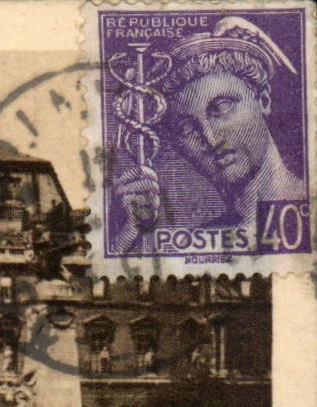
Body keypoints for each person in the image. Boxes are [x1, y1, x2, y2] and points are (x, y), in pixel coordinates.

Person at [112, 15, 306, 253]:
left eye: (222, 107)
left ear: (263, 100)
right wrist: (130, 232)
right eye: (186, 128)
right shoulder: (198, 241)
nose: (211, 139)